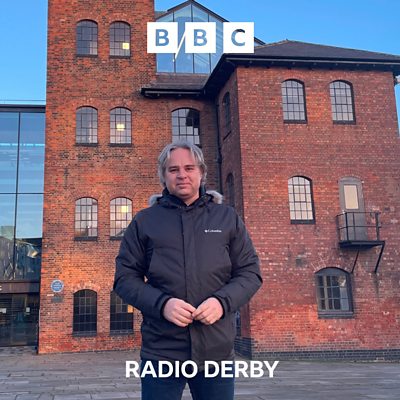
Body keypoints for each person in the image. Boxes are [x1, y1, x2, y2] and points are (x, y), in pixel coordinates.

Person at [114, 141, 262, 400]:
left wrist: (222, 302)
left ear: (201, 172)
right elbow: (125, 279)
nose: (182, 175)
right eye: (173, 169)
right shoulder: (144, 222)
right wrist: (162, 304)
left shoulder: (227, 218)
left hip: (215, 351)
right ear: (163, 175)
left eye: (189, 168)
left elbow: (250, 273)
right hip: (161, 351)